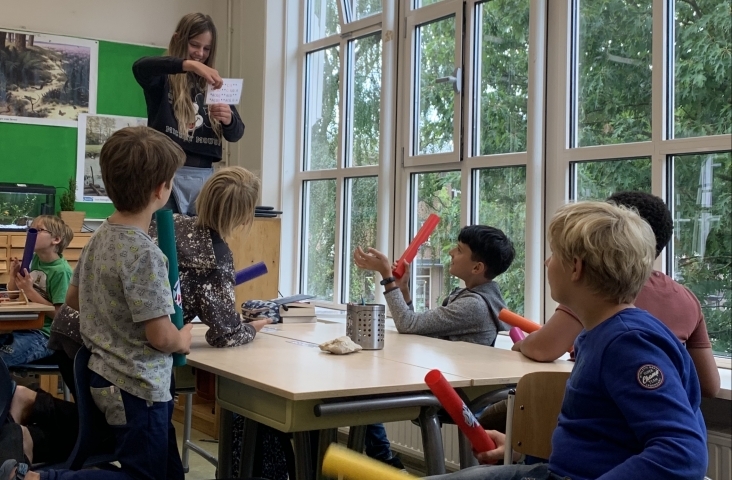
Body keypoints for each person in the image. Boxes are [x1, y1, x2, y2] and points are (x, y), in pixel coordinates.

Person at [428, 201, 708, 480]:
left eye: (554, 254)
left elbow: (682, 453)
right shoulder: (596, 332)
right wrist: (519, 451)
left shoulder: (629, 343)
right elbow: (600, 437)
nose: (547, 262)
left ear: (575, 268)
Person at [19, 126, 194, 480]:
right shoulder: (145, 252)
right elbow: (161, 336)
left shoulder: (101, 236)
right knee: (141, 475)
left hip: (103, 378)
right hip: (138, 387)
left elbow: (72, 299)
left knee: (165, 469)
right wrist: (183, 337)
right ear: (160, 190)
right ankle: (41, 478)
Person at [511, 191, 720, 397]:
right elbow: (709, 384)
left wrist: (522, 344)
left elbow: (544, 349)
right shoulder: (686, 298)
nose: (548, 262)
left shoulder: (599, 292)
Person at [353, 225, 515, 469]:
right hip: (444, 384)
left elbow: (408, 324)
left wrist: (387, 278)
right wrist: (403, 288)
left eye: (459, 250)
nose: (450, 252)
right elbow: (420, 328)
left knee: (359, 390)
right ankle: (382, 457)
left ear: (477, 267)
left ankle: (382, 458)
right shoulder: (472, 296)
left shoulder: (474, 305)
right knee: (361, 387)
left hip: (449, 395)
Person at [132, 12, 245, 215]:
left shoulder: (215, 84)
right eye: (194, 45)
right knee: (166, 240)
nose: (200, 53)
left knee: (201, 244)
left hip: (204, 177)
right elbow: (140, 67)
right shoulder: (162, 79)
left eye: (207, 49)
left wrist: (228, 120)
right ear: (178, 39)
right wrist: (187, 65)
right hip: (166, 175)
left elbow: (236, 134)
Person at [2, 216, 73, 367]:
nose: (30, 234)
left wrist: (29, 292)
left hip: (45, 336)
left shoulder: (61, 271)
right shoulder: (34, 260)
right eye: (30, 229)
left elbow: (60, 314)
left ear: (56, 239)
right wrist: (13, 277)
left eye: (37, 230)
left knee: (1, 360)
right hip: (23, 327)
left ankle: (21, 392)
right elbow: (14, 296)